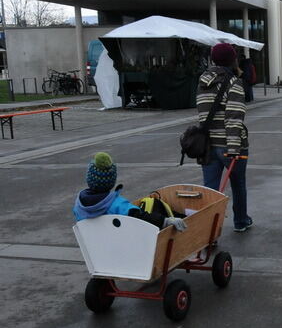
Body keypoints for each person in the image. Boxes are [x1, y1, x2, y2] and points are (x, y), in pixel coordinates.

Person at [197, 43, 252, 232]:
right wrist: (234, 149)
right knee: (238, 185)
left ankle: (208, 231)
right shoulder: (233, 83)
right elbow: (234, 118)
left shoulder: (202, 82)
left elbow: (203, 114)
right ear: (232, 59)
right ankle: (241, 221)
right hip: (230, 146)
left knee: (210, 191)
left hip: (208, 145)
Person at [73, 152, 187, 231]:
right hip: (123, 248)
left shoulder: (79, 206)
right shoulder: (117, 204)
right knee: (154, 207)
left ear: (89, 179)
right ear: (111, 181)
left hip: (98, 250)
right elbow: (140, 217)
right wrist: (165, 221)